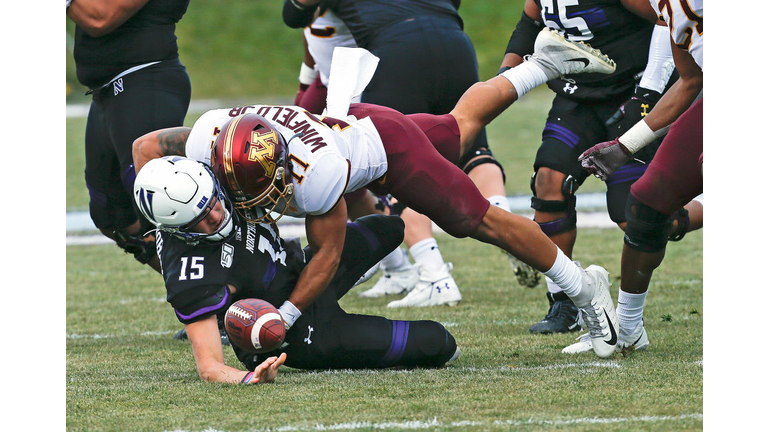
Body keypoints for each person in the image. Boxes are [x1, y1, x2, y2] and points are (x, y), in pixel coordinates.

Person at [134, 28, 624, 358]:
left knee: (476, 221)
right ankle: (544, 62)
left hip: (384, 149)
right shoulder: (208, 135)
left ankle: (586, 290)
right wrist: (167, 220)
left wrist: (285, 314)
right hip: (357, 123)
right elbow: (146, 149)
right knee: (459, 125)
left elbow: (328, 253)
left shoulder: (312, 175)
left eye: (274, 183)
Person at [132, 156, 459, 382]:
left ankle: (337, 274)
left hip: (301, 272)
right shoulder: (190, 273)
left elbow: (152, 143)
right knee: (439, 343)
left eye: (213, 204)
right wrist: (250, 378)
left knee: (389, 228)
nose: (215, 217)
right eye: (200, 221)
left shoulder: (215, 173)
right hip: (293, 332)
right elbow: (210, 367)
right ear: (177, 230)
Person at [284, 0, 517, 308]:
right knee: (471, 147)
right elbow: (310, 54)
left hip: (384, 63)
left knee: (391, 168)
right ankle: (507, 230)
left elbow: (295, 14)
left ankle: (433, 274)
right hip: (452, 40)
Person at [495, 0, 703, 335]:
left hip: (631, 95)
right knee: (549, 181)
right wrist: (506, 74)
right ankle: (564, 300)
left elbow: (666, 22)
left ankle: (695, 211)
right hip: (577, 96)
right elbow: (527, 25)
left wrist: (647, 92)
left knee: (632, 213)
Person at [565, 0, 703, 355]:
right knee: (645, 205)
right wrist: (625, 146)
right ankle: (628, 328)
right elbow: (690, 81)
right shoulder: (673, 7)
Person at [67, 0, 191, 274]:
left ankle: (235, 297)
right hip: (106, 94)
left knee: (167, 209)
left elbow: (100, 16)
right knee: (113, 216)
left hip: (145, 84)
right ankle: (203, 294)